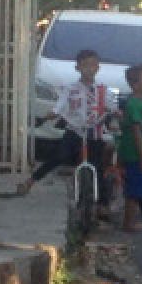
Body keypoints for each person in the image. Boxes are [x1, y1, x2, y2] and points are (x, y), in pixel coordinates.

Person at [18, 49, 115, 221]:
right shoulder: (70, 89)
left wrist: (117, 114)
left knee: (99, 167)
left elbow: (111, 108)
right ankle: (31, 181)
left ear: (98, 68)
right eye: (85, 65)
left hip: (95, 132)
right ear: (78, 68)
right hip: (75, 131)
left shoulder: (103, 90)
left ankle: (102, 204)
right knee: (58, 156)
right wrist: (51, 114)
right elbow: (60, 106)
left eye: (93, 65)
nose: (89, 69)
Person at [118, 65, 142, 233]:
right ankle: (129, 223)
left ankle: (130, 221)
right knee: (134, 189)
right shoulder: (135, 104)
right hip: (134, 153)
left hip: (135, 151)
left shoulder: (139, 103)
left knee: (136, 187)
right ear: (135, 85)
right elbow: (137, 133)